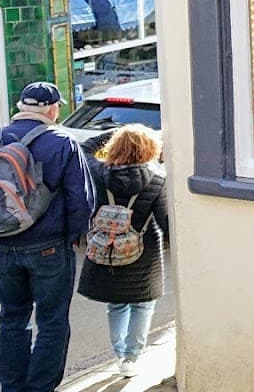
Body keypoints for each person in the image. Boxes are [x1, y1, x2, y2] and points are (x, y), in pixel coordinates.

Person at [0, 81, 95, 392]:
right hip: (48, 247)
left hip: (4, 247)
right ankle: (40, 388)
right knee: (52, 321)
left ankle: (12, 387)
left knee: (12, 320)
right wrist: (73, 236)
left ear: (21, 107)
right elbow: (81, 200)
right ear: (51, 109)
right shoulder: (62, 142)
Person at [78, 125, 169, 378]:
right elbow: (165, 222)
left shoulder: (97, 173)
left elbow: (84, 148)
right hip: (143, 252)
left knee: (116, 305)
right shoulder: (156, 179)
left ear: (115, 146)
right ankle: (131, 357)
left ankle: (118, 354)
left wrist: (117, 132)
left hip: (105, 249)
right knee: (142, 305)